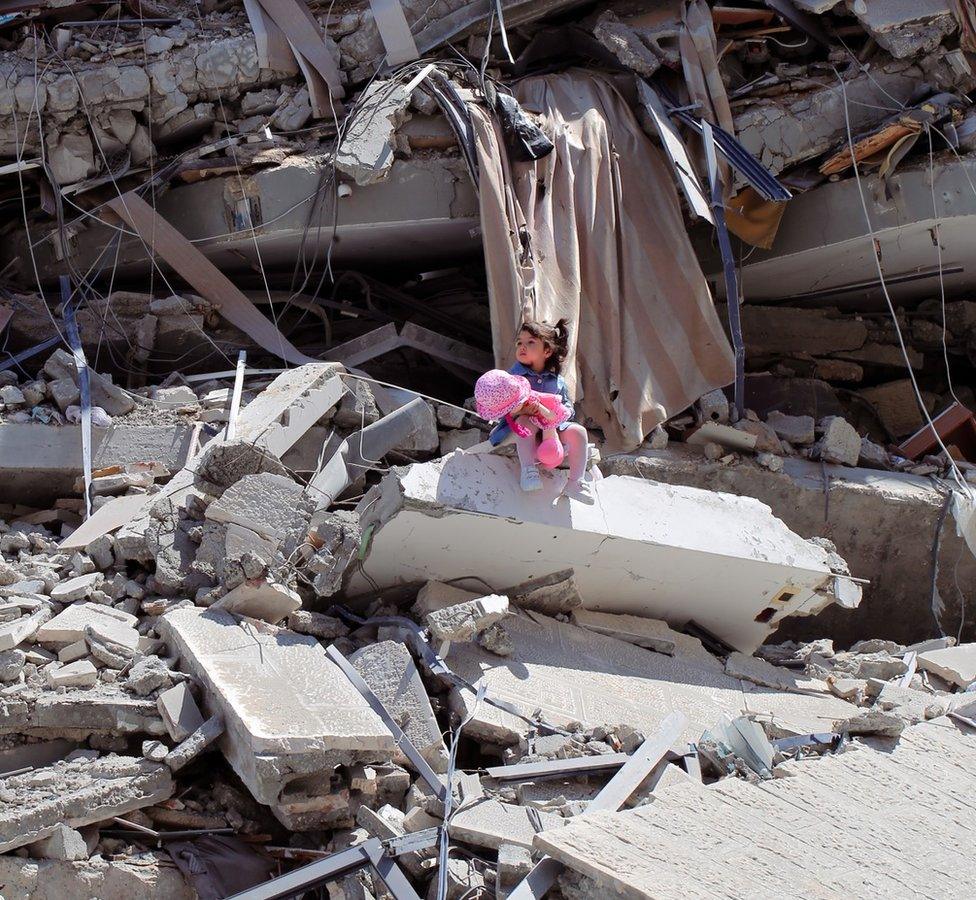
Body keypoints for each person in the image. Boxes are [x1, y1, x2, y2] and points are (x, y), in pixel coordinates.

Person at [476, 319, 592, 500]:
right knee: (525, 421)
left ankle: (575, 483)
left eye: (530, 342)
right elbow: (504, 409)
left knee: (578, 431)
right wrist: (521, 411)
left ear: (547, 351)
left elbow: (568, 408)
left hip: (550, 428)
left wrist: (556, 412)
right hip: (522, 429)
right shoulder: (512, 378)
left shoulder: (557, 381)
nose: (522, 346)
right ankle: (528, 471)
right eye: (519, 343)